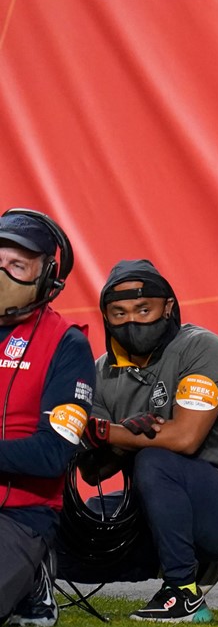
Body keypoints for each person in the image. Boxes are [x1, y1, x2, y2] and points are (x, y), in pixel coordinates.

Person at [59, 259, 218, 623]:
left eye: (144, 309)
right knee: (71, 537)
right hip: (152, 502)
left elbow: (185, 439)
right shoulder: (100, 371)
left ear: (168, 307)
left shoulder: (201, 348)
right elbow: (94, 473)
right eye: (119, 312)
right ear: (106, 316)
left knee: (155, 461)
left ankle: (182, 591)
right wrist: (122, 439)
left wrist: (107, 431)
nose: (132, 321)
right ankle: (195, 567)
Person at [0, 209, 96, 627]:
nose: (2, 274)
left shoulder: (67, 345)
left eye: (17, 266)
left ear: (48, 278)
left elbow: (54, 453)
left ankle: (34, 575)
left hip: (19, 514)